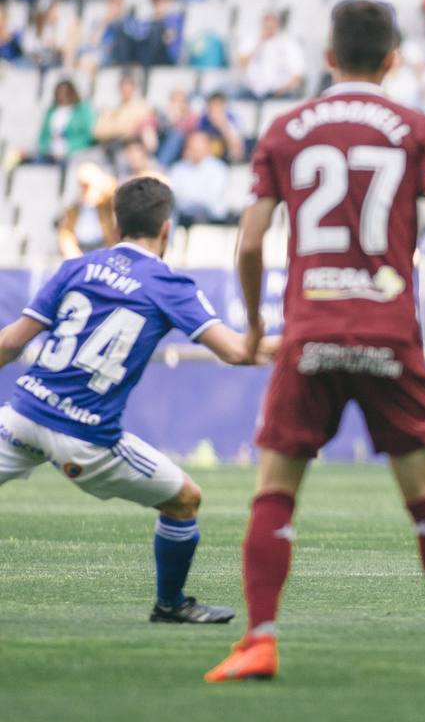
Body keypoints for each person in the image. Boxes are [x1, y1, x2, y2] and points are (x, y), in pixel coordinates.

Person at [205, 0, 425, 684]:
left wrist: (260, 325)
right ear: (392, 59)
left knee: (275, 491)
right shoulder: (418, 128)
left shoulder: (286, 129)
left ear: (328, 56)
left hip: (311, 328)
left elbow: (253, 239)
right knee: (424, 494)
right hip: (388, 328)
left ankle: (260, 639)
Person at [0, 176, 264, 624]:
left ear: (116, 222)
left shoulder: (77, 267)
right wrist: (272, 335)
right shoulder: (169, 284)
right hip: (83, 436)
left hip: (22, 413)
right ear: (167, 230)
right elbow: (238, 352)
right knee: (184, 500)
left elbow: (9, 345)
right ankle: (171, 604)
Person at [235, 11, 307, 100]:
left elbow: (298, 74)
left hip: (279, 93)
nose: (269, 28)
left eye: (272, 26)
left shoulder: (289, 43)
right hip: (252, 91)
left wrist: (282, 89)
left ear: (278, 25)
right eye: (266, 26)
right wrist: (259, 43)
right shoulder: (252, 39)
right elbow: (240, 62)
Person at [57, 161, 118, 257]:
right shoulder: (73, 209)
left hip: (103, 247)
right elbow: (66, 234)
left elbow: (113, 190)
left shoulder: (106, 204)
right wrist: (73, 254)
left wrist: (97, 186)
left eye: (87, 186)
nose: (84, 190)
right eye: (82, 186)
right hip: (80, 249)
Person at [37, 79, 96, 165]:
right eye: (59, 92)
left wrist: (67, 148)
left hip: (74, 152)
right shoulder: (51, 111)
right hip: (51, 152)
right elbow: (43, 136)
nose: (62, 95)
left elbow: (87, 135)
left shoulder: (83, 109)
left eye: (65, 92)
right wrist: (47, 148)